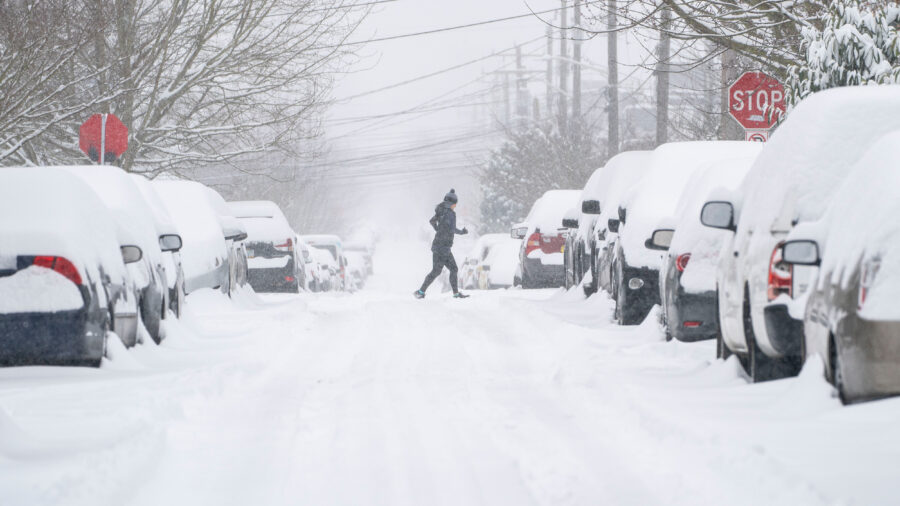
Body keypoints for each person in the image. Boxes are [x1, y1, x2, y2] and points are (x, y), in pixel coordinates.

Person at [414, 189, 469, 299]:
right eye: (455, 204)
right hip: (444, 247)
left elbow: (432, 221)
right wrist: (462, 232)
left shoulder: (441, 210)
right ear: (452, 203)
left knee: (436, 271)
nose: (455, 206)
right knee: (452, 269)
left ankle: (421, 292)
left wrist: (437, 229)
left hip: (438, 246)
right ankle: (455, 294)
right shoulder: (450, 214)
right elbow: (452, 229)